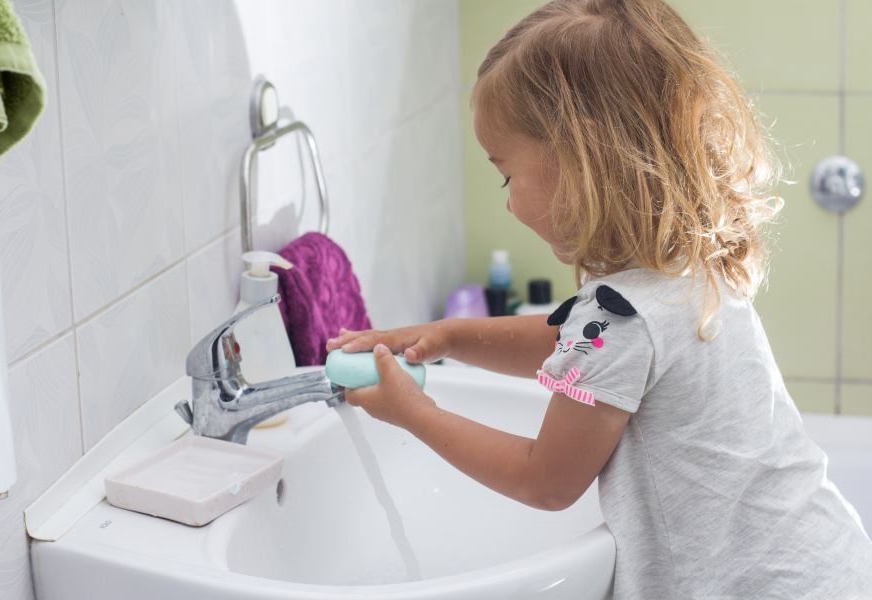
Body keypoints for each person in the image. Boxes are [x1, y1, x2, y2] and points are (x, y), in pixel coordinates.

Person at [326, 0, 872, 597]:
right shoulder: (685, 261)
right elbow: (577, 350)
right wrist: (450, 338)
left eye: (507, 175)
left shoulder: (622, 319)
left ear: (581, 166)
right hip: (820, 561)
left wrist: (414, 415)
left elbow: (547, 482)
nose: (507, 202)